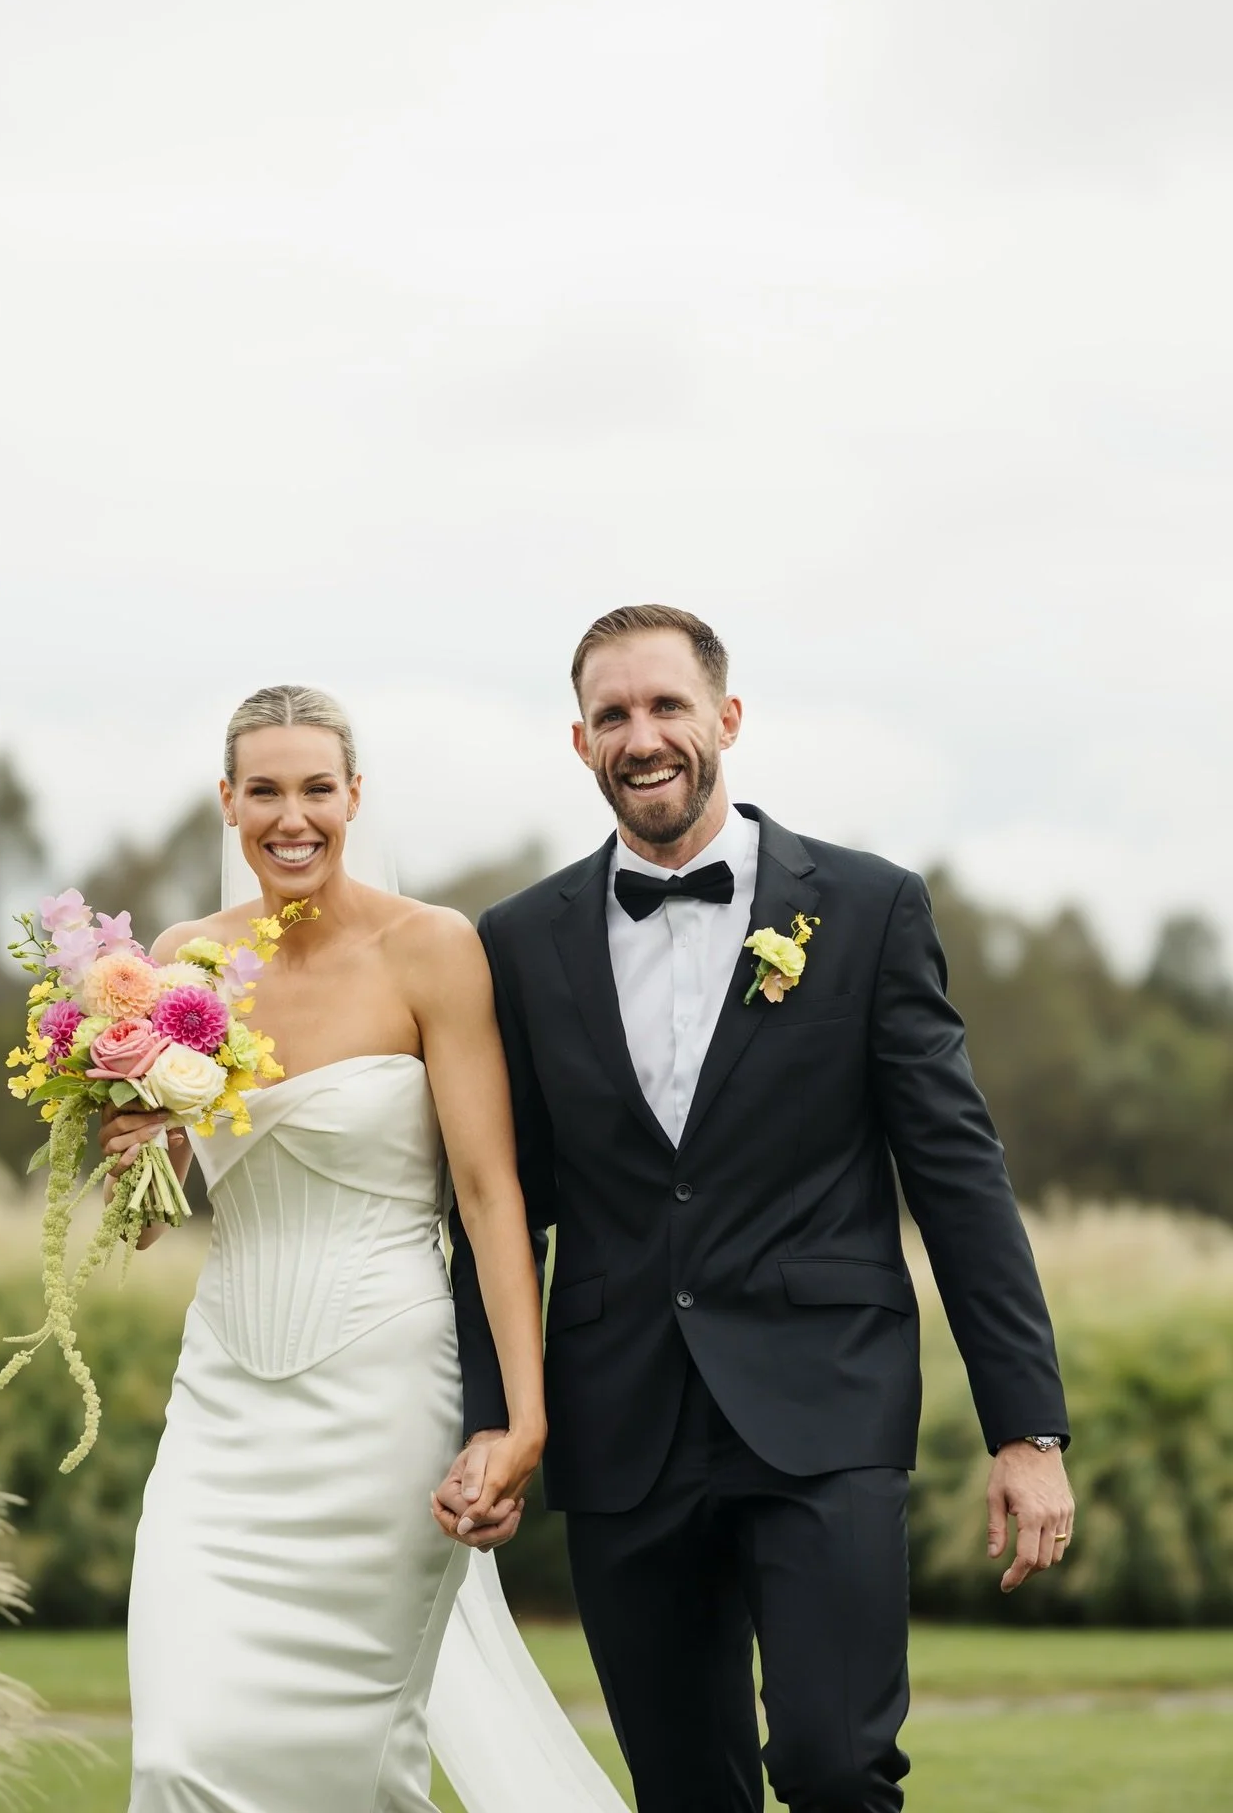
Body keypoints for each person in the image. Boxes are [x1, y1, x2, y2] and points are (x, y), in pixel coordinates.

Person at [437, 604, 1076, 1813]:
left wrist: (1027, 1430)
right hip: (619, 1419)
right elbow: (497, 1205)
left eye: (667, 706)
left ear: (725, 719)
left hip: (824, 1407)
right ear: (580, 744)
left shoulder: (870, 908)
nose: (642, 736)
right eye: (612, 715)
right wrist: (496, 1413)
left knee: (837, 1764)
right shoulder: (518, 944)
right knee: (687, 1789)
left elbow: (958, 1179)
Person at [103, 684, 547, 1813]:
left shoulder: (431, 952)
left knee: (354, 1764)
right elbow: (156, 1217)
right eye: (264, 791)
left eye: (315, 790)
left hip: (384, 1400)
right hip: (225, 1408)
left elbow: (492, 1197)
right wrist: (131, 1153)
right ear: (228, 802)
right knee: (174, 1755)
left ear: (355, 798)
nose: (290, 818)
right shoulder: (183, 960)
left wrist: (521, 1417)